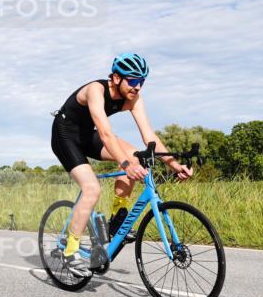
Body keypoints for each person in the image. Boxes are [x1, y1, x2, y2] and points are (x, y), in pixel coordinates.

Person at [51, 53, 192, 276]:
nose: (138, 87)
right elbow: (106, 134)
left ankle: (117, 219)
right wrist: (125, 165)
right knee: (92, 188)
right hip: (65, 136)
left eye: (142, 82)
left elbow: (149, 135)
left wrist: (175, 165)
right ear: (116, 78)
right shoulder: (95, 90)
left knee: (136, 156)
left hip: (88, 136)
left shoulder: (133, 98)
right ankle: (70, 252)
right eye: (133, 81)